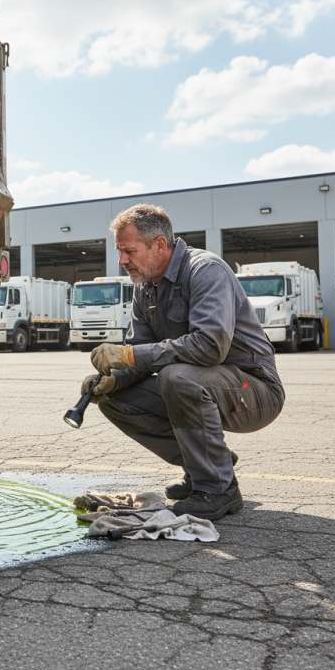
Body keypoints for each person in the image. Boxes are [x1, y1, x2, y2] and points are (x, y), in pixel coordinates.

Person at [83, 204, 284, 521]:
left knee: (176, 377)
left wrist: (127, 355)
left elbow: (210, 346)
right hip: (204, 386)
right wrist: (114, 379)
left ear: (159, 245)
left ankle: (218, 488)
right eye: (120, 252)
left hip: (253, 389)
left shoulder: (206, 270)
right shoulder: (145, 288)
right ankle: (206, 465)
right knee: (114, 398)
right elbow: (139, 352)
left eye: (129, 251)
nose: (122, 261)